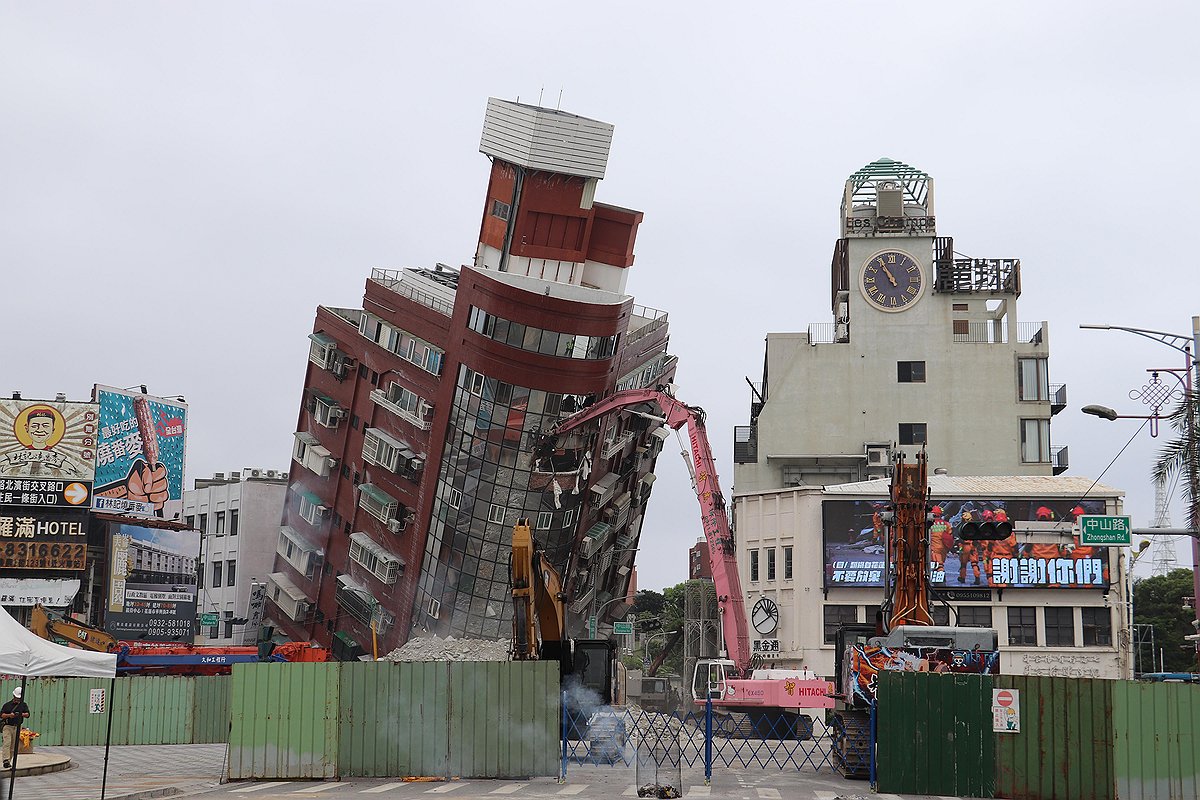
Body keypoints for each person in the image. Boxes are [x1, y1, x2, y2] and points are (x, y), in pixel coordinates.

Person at [1, 686, 30, 769]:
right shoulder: (7, 705)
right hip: (7, 726)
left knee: (14, 746)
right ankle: (5, 760)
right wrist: (10, 715)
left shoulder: (23, 705)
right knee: (7, 743)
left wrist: (20, 714)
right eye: (17, 698)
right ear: (14, 696)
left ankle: (8, 761)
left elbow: (27, 714)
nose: (18, 700)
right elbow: (2, 715)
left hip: (17, 727)